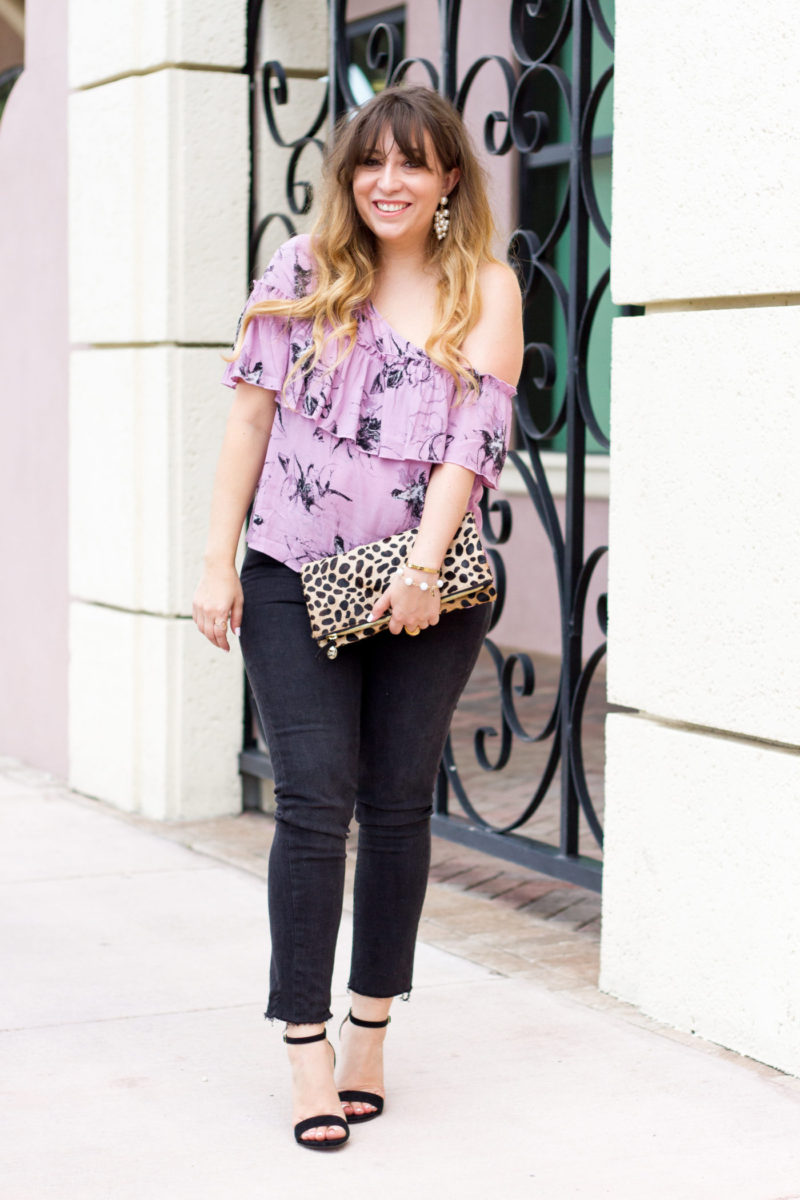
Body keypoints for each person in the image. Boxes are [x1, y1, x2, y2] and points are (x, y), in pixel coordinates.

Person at [192, 84, 524, 1151]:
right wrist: (216, 564)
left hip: (426, 582)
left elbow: (472, 445)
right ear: (349, 176)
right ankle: (304, 1050)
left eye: (413, 164)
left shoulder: (485, 286)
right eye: (370, 163)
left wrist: (423, 569)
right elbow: (248, 419)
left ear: (446, 182)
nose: (389, 181)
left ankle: (370, 1030)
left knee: (392, 804)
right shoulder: (300, 270)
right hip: (290, 572)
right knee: (312, 794)